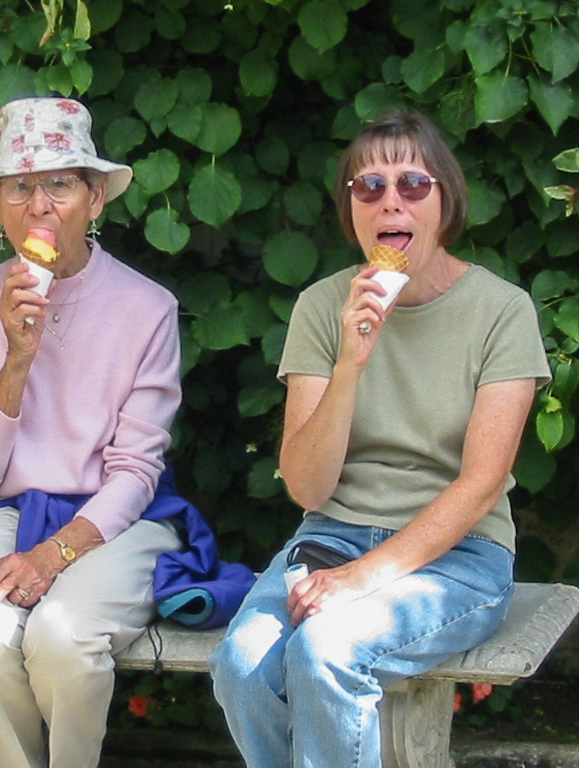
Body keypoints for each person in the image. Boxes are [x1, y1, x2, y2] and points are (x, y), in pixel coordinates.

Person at [208, 109, 551, 768]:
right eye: (369, 188)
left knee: (326, 653)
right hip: (332, 535)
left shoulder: (502, 311)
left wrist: (360, 579)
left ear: (444, 202)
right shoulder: (322, 307)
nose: (391, 200)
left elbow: (481, 485)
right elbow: (308, 486)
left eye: (414, 185)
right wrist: (350, 364)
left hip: (458, 555)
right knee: (242, 666)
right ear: (352, 210)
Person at [0, 96, 252, 768]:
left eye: (60, 183)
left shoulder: (145, 307)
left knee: (63, 636)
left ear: (96, 199)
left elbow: (135, 473)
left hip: (115, 517)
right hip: (7, 508)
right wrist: (16, 356)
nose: (40, 204)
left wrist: (55, 554)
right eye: (20, 187)